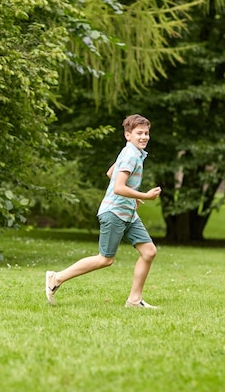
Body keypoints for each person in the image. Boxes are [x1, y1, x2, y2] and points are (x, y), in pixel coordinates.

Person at [45, 114, 162, 308]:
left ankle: (134, 300)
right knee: (105, 259)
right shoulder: (131, 155)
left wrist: (133, 197)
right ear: (128, 135)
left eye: (146, 133)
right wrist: (145, 195)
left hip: (128, 213)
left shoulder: (131, 153)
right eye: (139, 133)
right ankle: (56, 278)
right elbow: (118, 187)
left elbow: (111, 173)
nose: (144, 137)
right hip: (114, 213)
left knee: (149, 252)